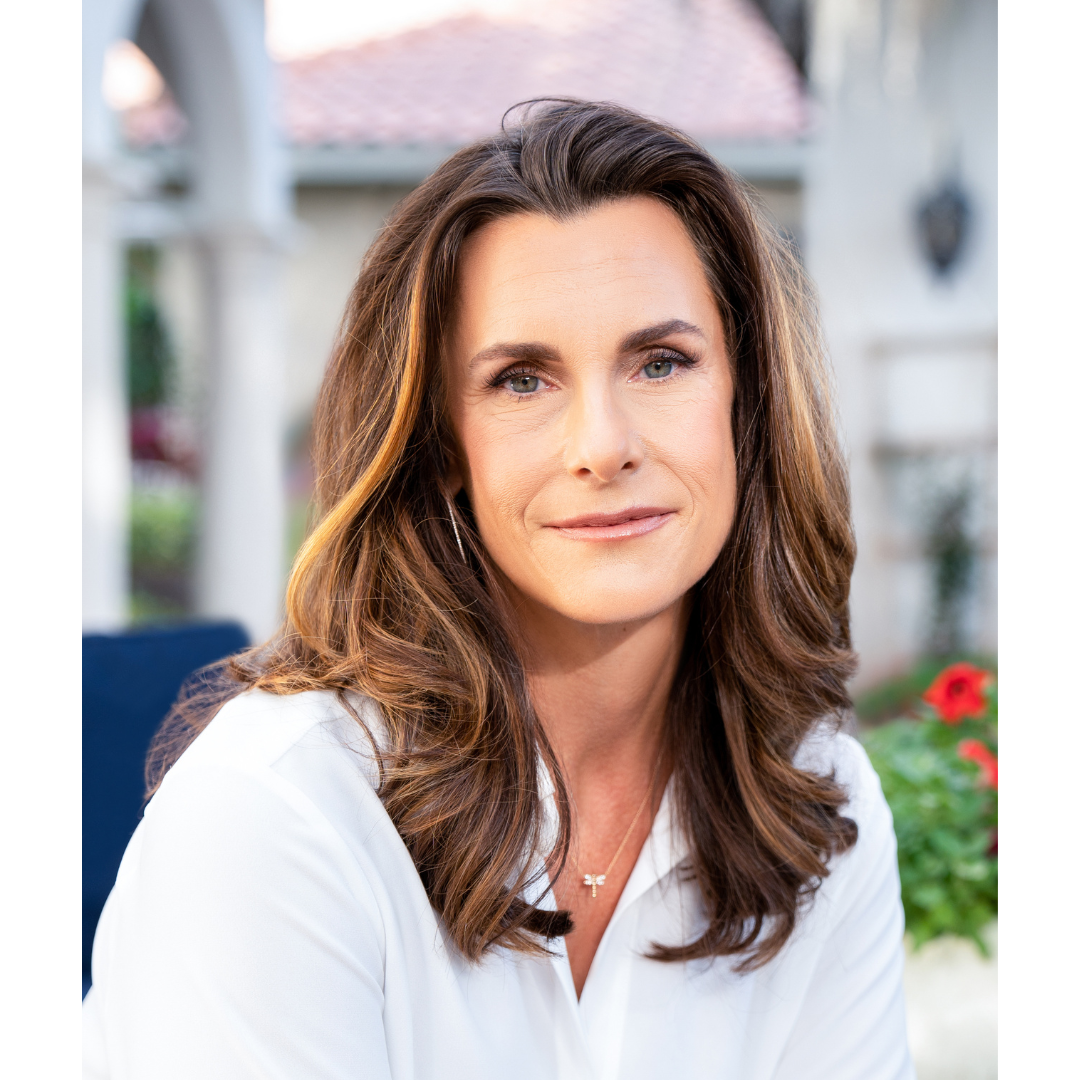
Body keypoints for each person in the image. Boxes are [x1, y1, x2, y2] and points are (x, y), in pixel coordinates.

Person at [83, 100, 912, 1079]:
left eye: (661, 361)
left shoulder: (816, 806)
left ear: (748, 409)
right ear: (440, 449)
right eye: (523, 380)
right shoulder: (277, 815)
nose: (604, 446)